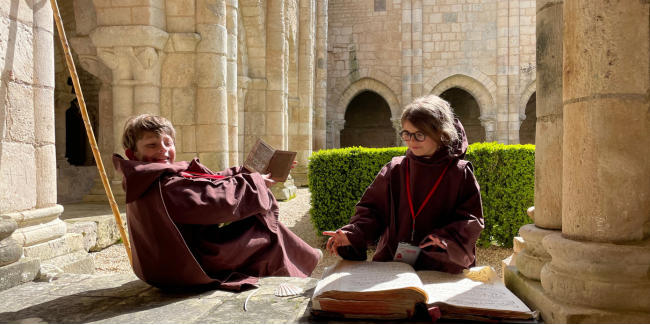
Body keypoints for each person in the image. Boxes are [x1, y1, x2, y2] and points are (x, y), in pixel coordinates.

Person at [113, 114, 321, 291]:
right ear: (133, 154)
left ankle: (305, 263)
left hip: (167, 264)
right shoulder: (162, 185)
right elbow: (218, 202)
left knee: (258, 230)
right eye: (152, 145)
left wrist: (249, 173)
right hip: (187, 265)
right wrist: (257, 183)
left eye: (168, 143)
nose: (163, 150)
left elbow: (211, 180)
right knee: (265, 233)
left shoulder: (149, 177)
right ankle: (299, 278)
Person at [323, 95, 484, 274]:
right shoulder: (396, 168)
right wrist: (351, 234)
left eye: (420, 134)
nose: (411, 141)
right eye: (406, 133)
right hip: (393, 261)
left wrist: (446, 239)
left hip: (440, 262)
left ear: (441, 133)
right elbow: (372, 211)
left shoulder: (459, 173)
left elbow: (471, 219)